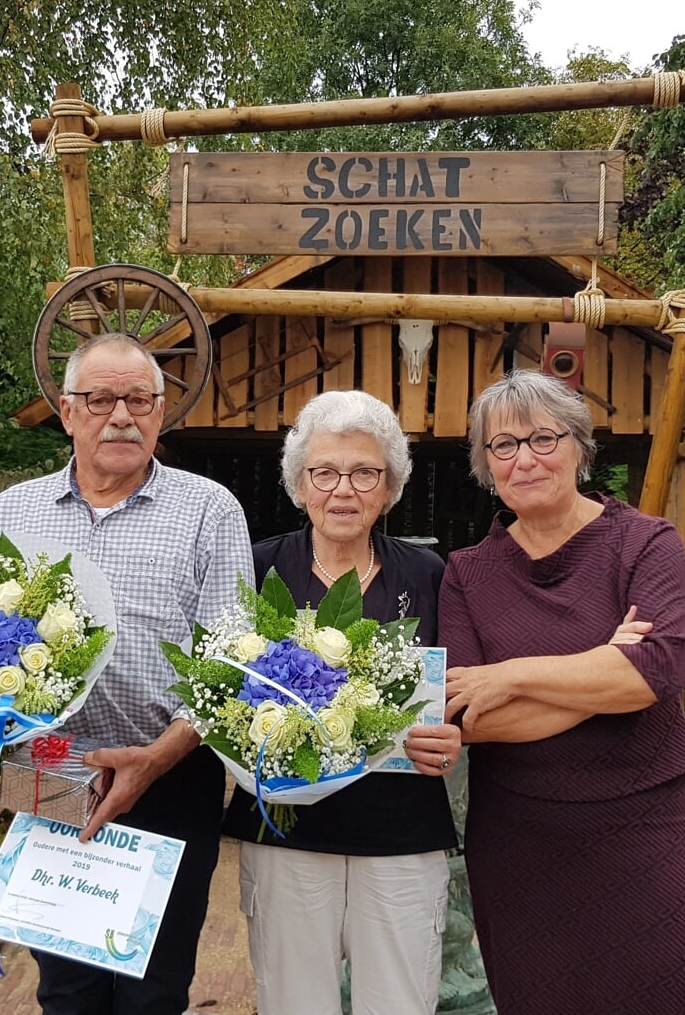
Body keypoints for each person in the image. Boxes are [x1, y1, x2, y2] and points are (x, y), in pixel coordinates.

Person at [0, 332, 254, 1015]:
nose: (122, 415)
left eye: (140, 398)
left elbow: (230, 659)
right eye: (101, 398)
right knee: (65, 991)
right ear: (67, 410)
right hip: (47, 770)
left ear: (161, 412)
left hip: (169, 772)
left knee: (152, 993)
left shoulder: (209, 510)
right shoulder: (11, 513)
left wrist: (159, 757)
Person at [438, 369, 685, 1013]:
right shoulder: (467, 573)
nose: (524, 459)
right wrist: (606, 665)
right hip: (520, 842)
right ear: (486, 465)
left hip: (643, 828)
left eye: (542, 438)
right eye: (503, 446)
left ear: (580, 448)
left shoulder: (646, 542)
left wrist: (510, 674)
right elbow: (468, 717)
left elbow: (657, 671)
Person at [222, 390, 464, 1015]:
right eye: (325, 472)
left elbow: (460, 689)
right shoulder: (253, 570)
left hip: (403, 831)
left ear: (389, 488)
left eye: (365, 473)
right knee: (295, 1002)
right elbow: (217, 690)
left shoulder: (430, 575)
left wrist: (453, 730)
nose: (344, 490)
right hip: (287, 834)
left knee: (401, 1003)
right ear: (300, 486)